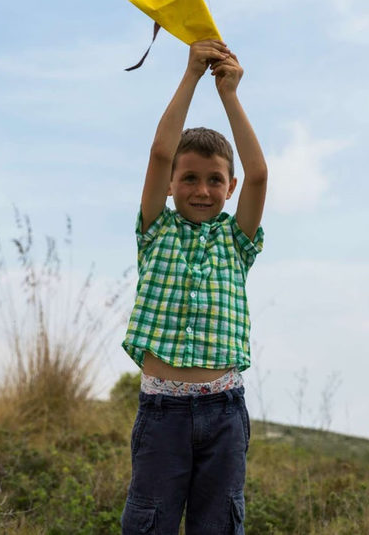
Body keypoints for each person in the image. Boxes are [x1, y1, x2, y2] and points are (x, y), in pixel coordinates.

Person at [120, 39, 267, 534]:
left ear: (228, 187)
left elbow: (260, 175)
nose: (201, 190)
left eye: (213, 180)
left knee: (219, 525)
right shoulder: (154, 230)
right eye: (188, 178)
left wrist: (229, 94)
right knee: (151, 522)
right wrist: (191, 75)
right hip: (161, 412)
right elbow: (161, 152)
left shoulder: (236, 240)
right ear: (169, 184)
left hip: (224, 414)